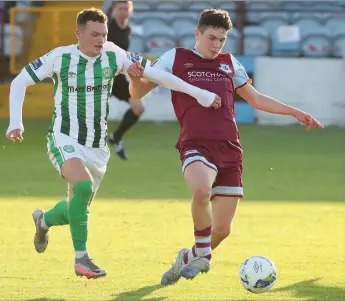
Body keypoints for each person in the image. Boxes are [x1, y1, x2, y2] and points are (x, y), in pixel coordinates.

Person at [5, 8, 220, 280]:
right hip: (64, 136)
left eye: (103, 34)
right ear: (78, 34)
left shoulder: (113, 54)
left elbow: (157, 74)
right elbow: (20, 80)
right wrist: (16, 122)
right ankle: (82, 260)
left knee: (77, 211)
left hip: (97, 147)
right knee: (81, 186)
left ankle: (43, 220)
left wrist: (198, 93)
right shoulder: (60, 57)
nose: (100, 39)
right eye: (94, 34)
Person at [129, 8, 324, 285]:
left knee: (221, 230)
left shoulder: (229, 62)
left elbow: (256, 99)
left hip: (230, 148)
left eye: (221, 39)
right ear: (197, 33)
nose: (216, 45)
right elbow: (138, 92)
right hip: (195, 143)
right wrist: (136, 77)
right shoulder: (176, 58)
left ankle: (188, 257)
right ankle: (204, 258)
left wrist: (294, 112)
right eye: (211, 38)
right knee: (200, 190)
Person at [105, 1, 141, 160]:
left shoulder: (128, 30)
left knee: (138, 107)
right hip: (102, 76)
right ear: (114, 10)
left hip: (118, 77)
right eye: (121, 8)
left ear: (131, 11)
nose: (124, 11)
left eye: (127, 8)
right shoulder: (106, 26)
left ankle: (116, 137)